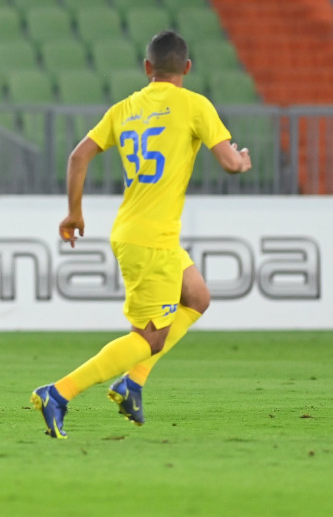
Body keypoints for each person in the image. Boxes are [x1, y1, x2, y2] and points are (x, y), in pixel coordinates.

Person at [31, 30, 251, 439]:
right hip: (152, 241)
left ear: (148, 68)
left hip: (138, 230)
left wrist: (74, 212)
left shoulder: (125, 108)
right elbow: (228, 163)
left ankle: (132, 384)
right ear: (186, 68)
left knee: (198, 297)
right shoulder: (194, 105)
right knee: (149, 338)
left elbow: (78, 156)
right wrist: (240, 160)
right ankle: (58, 393)